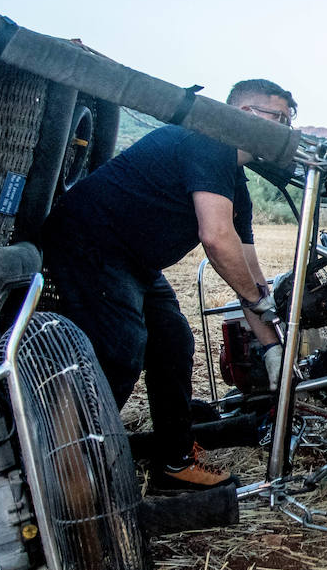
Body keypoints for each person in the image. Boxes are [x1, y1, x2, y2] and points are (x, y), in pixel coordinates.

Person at [39, 79, 294, 492]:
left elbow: (249, 272)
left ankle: (174, 464)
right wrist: (256, 304)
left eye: (288, 121)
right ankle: (64, 467)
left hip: (135, 260)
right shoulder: (209, 140)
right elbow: (216, 239)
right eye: (277, 118)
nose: (284, 130)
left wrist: (273, 347)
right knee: (122, 349)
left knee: (173, 343)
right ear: (244, 115)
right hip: (91, 241)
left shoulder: (236, 181)